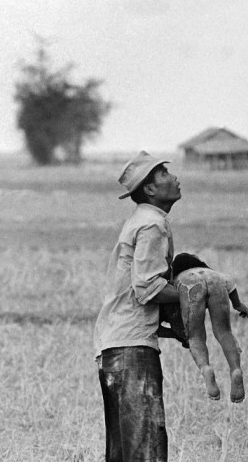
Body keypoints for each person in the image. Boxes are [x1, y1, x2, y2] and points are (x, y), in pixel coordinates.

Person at [94, 151, 183, 462]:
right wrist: (195, 296)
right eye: (164, 174)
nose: (174, 178)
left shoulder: (139, 221)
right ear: (150, 190)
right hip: (132, 351)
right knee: (146, 451)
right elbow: (147, 288)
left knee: (123, 454)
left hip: (115, 347)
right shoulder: (152, 225)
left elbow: (132, 295)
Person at [168, 253, 248, 402]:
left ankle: (206, 369)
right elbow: (231, 285)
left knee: (195, 336)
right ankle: (235, 369)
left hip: (190, 285)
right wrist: (239, 305)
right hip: (217, 283)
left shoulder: (177, 277)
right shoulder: (215, 274)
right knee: (225, 333)